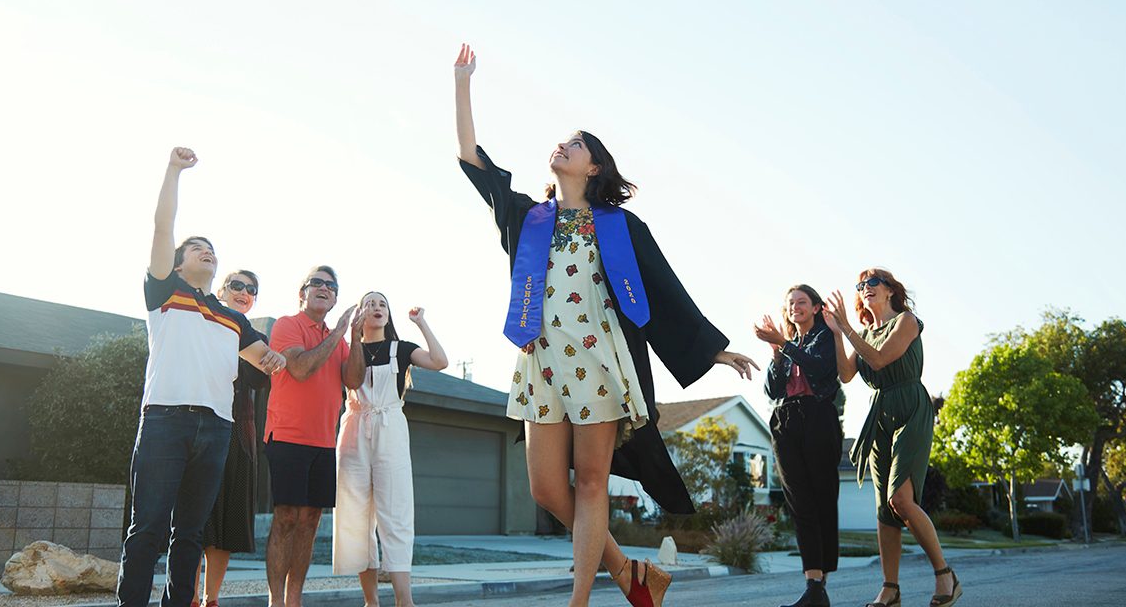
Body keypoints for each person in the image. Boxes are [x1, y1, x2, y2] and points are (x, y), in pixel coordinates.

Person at [452, 44, 758, 607]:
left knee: (591, 483)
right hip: (540, 360)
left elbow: (665, 291)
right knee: (547, 488)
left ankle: (579, 601)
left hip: (599, 361)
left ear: (593, 166)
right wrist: (463, 83)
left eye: (577, 143)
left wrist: (713, 350)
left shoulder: (619, 226)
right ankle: (634, 574)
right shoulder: (529, 217)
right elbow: (473, 159)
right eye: (563, 140)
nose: (563, 145)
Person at [118, 148, 285, 607]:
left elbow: (263, 357)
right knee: (148, 528)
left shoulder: (233, 319)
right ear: (175, 263)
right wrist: (173, 170)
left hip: (217, 429)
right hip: (164, 421)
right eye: (196, 248)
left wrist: (276, 361)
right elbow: (162, 227)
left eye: (211, 249)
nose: (207, 251)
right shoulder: (164, 290)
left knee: (189, 534)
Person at [823, 269, 962, 607]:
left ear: (889, 290)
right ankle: (890, 589)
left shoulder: (907, 321)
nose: (865, 288)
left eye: (873, 282)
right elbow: (845, 374)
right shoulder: (865, 334)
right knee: (885, 508)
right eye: (861, 285)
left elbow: (881, 359)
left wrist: (846, 327)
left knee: (901, 499)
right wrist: (838, 334)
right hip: (880, 415)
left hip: (911, 406)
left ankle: (946, 575)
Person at [333, 291, 449, 607]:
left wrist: (421, 322)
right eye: (369, 303)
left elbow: (440, 361)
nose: (376, 307)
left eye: (382, 303)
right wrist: (352, 336)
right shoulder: (346, 350)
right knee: (356, 518)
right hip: (354, 430)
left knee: (395, 513)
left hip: (390, 429)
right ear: (360, 314)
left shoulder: (401, 350)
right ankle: (371, 602)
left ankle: (404, 602)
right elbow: (349, 380)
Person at [264, 267, 355, 607]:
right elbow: (300, 368)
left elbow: (354, 380)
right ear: (302, 292)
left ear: (335, 299)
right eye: (316, 282)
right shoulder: (288, 324)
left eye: (331, 286)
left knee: (310, 521)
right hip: (287, 435)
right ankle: (275, 601)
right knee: (287, 516)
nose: (324, 288)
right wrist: (339, 333)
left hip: (324, 442)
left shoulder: (341, 339)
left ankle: (294, 601)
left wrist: (354, 337)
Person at [755, 285, 843, 607]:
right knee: (800, 503)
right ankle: (813, 585)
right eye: (790, 303)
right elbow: (772, 389)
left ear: (816, 307)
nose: (795, 307)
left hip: (818, 417)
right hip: (785, 420)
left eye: (802, 302)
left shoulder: (823, 337)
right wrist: (777, 352)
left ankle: (820, 586)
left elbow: (820, 368)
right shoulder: (789, 345)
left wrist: (784, 343)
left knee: (822, 499)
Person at [192, 270, 270, 607]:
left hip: (240, 437)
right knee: (195, 520)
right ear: (222, 290)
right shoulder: (202, 323)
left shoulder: (250, 335)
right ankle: (188, 596)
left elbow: (261, 374)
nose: (244, 291)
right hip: (201, 430)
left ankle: (211, 599)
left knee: (225, 523)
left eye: (251, 290)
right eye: (236, 285)